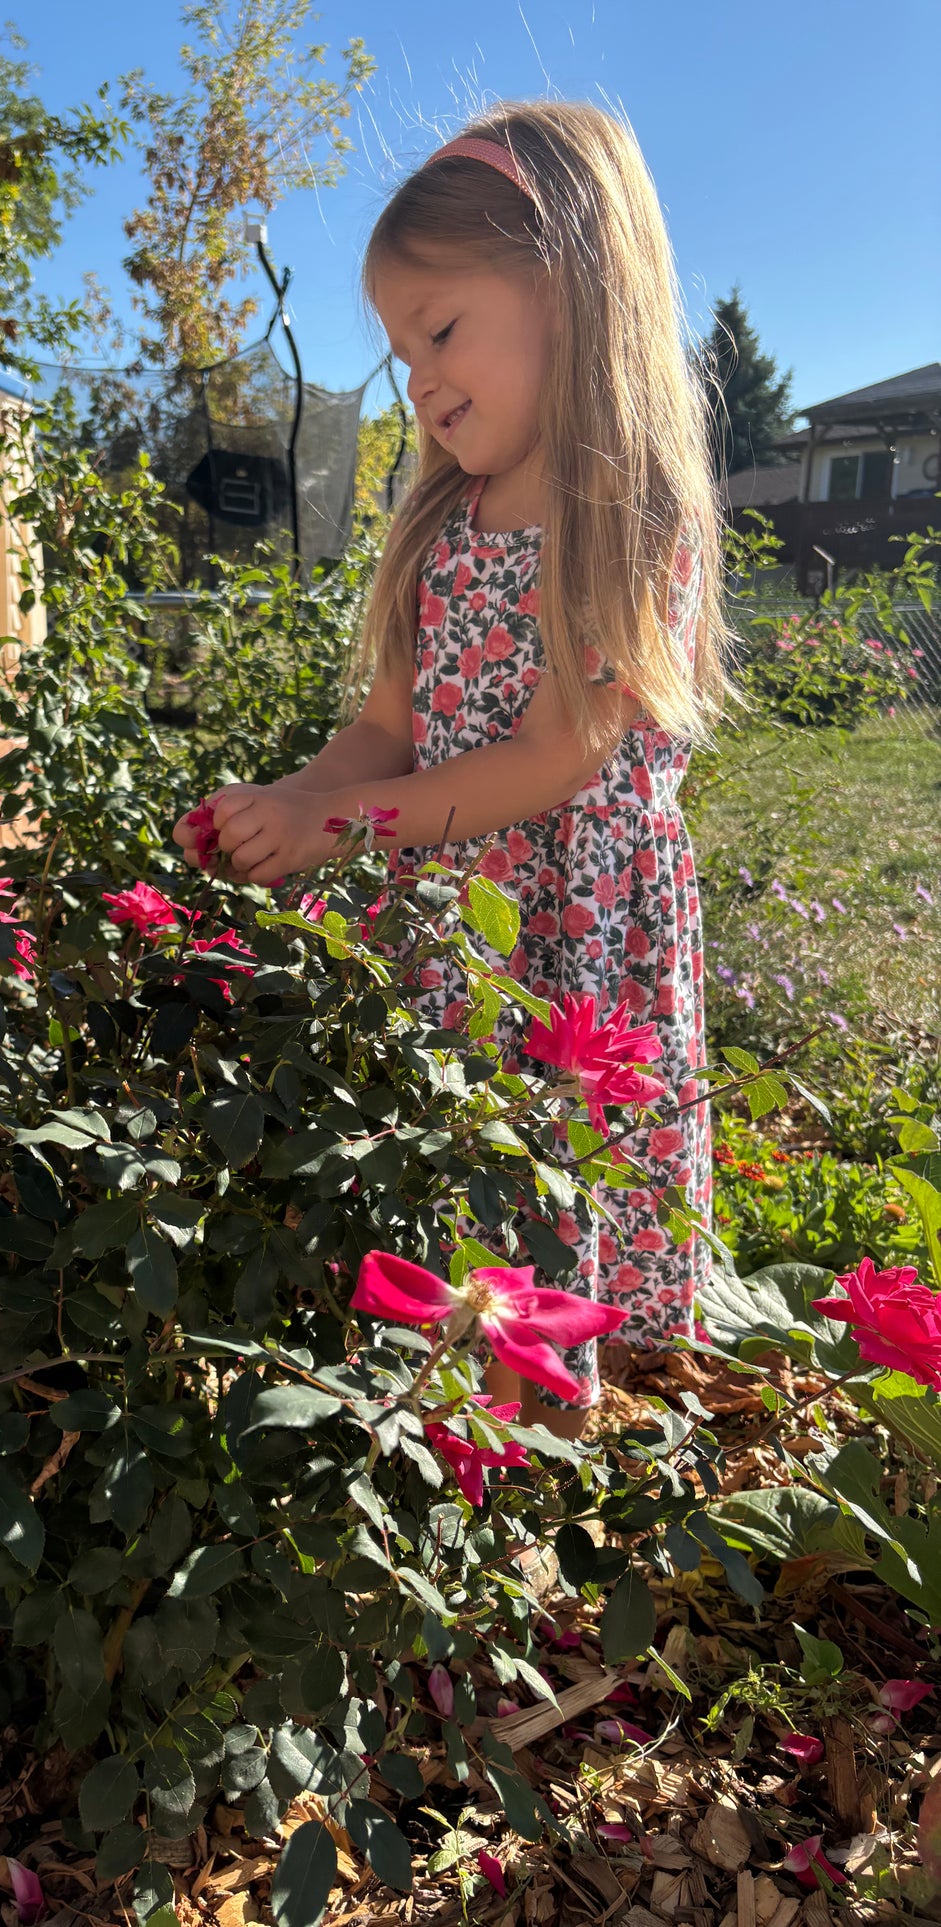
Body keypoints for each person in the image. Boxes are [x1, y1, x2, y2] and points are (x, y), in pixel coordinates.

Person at [173, 100, 728, 1432]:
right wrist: (294, 802)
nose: (417, 381)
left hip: (567, 934)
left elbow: (551, 759)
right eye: (398, 350)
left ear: (573, 292)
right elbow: (387, 730)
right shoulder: (439, 518)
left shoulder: (624, 514)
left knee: (547, 1194)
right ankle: (438, 1450)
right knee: (447, 1185)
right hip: (443, 919)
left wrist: (341, 827)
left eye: (440, 331)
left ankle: (532, 1470)